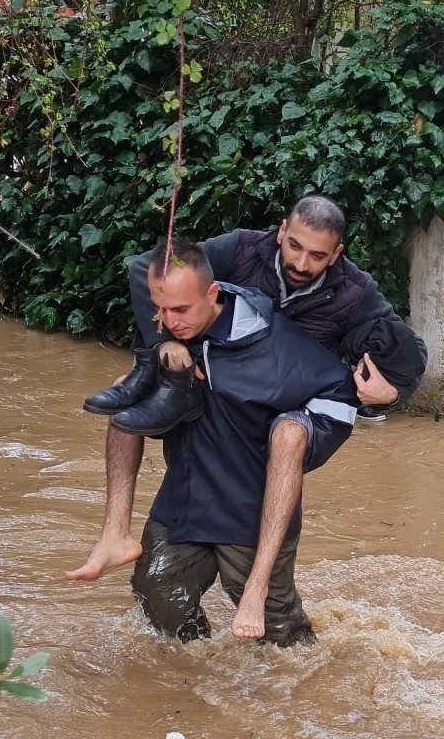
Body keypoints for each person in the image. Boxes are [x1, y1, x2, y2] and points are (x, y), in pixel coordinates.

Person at [67, 195, 425, 618]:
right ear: (280, 233)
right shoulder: (241, 249)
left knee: (286, 438)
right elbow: (155, 270)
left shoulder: (354, 292)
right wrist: (165, 341)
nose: (302, 263)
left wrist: (392, 394)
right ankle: (116, 535)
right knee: (158, 589)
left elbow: (409, 352)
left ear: (336, 255)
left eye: (317, 256)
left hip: (291, 409)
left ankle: (262, 600)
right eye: (294, 246)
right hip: (220, 400)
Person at [70, 239, 359, 646]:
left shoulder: (274, 343)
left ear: (212, 293)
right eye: (160, 309)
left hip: (250, 513)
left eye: (182, 310)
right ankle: (195, 678)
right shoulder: (168, 340)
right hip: (185, 502)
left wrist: (312, 428)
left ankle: (282, 661)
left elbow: (340, 392)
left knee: (282, 643)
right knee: (158, 598)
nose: (169, 321)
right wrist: (161, 344)